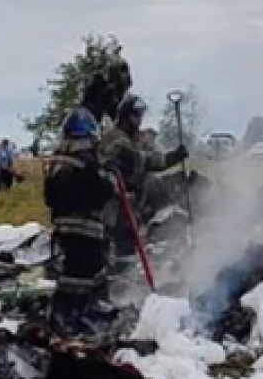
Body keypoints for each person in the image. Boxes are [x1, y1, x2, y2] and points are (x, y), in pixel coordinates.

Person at [44, 109, 117, 337]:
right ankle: (76, 315)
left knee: (71, 272)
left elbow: (49, 197)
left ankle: (65, 313)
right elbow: (102, 191)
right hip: (86, 228)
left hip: (63, 227)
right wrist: (110, 177)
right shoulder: (87, 162)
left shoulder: (56, 161)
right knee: (86, 275)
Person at [100, 93, 188, 252]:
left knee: (128, 247)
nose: (139, 120)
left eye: (140, 116)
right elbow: (140, 161)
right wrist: (169, 158)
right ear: (126, 117)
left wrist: (173, 157)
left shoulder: (131, 140)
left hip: (128, 208)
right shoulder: (115, 138)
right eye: (135, 116)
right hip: (113, 207)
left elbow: (148, 159)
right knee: (120, 249)